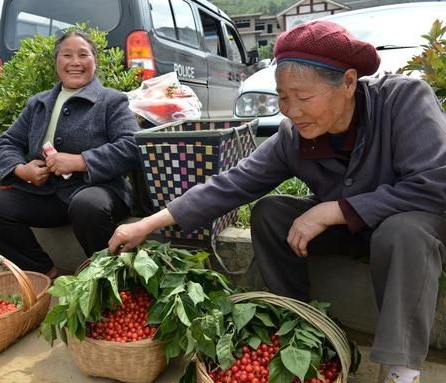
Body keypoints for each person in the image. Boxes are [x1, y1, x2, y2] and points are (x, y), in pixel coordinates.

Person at [108, 20, 446, 383]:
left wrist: (335, 209)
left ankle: (401, 370)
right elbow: (232, 183)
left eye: (302, 97)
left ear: (348, 82)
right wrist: (147, 224)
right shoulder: (294, 136)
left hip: (408, 229)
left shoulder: (403, 100)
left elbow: (435, 184)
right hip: (352, 230)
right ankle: (301, 326)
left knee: (401, 231)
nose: (291, 110)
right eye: (283, 98)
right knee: (271, 213)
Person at [0, 31, 141, 279]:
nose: (75, 62)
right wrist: (22, 170)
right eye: (67, 55)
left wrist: (80, 161)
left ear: (94, 61)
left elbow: (131, 145)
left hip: (98, 190)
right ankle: (43, 271)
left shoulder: (111, 101)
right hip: (47, 195)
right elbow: (8, 141)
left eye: (83, 55)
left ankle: (107, 278)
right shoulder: (39, 103)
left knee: (87, 205)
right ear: (57, 63)